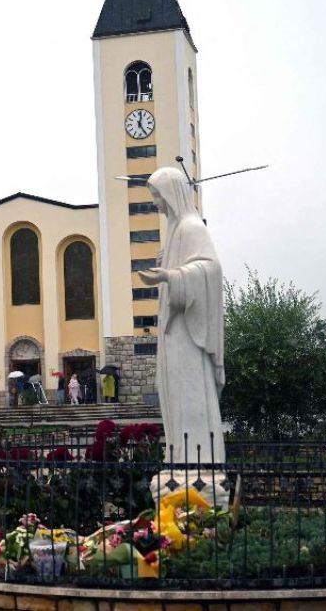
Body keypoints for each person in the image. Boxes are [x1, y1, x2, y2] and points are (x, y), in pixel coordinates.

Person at [138, 166, 226, 468]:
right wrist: (170, 267)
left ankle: (199, 463)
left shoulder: (191, 227)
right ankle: (180, 459)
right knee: (176, 395)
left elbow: (210, 270)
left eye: (157, 196)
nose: (155, 203)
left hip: (189, 334)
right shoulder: (176, 230)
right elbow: (189, 265)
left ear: (171, 195)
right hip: (176, 332)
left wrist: (169, 276)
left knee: (190, 395)